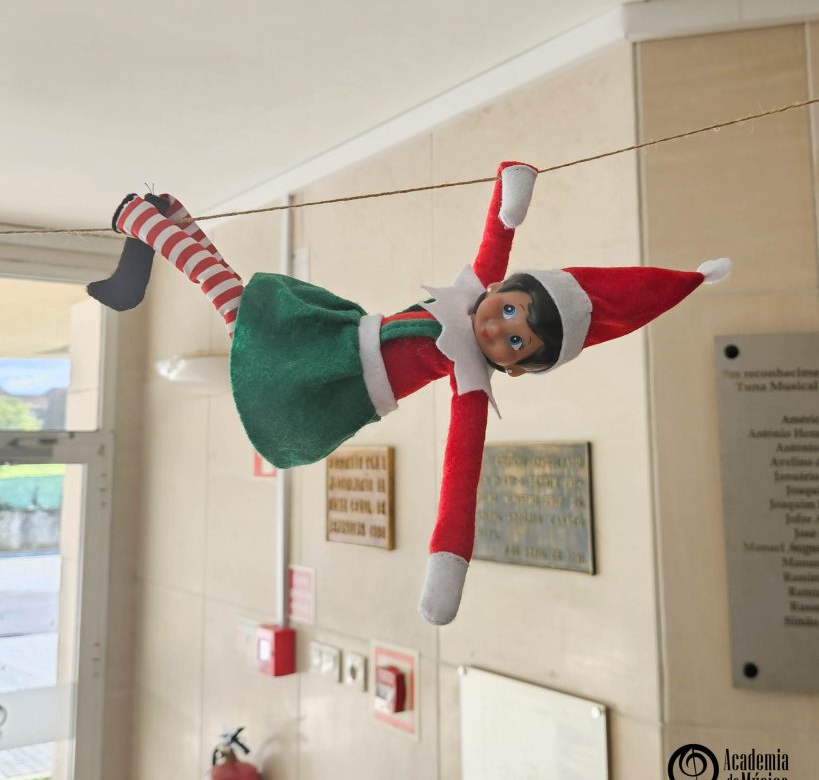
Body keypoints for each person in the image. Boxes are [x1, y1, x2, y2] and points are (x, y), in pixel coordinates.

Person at [88, 162, 731, 624]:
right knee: (232, 301)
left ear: (515, 369)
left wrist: (447, 566)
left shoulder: (471, 383)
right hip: (334, 338)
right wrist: (512, 194)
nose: (499, 329)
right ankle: (151, 219)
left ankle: (155, 220)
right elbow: (498, 236)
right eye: (510, 311)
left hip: (333, 385)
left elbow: (461, 481)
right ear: (501, 290)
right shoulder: (469, 290)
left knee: (232, 302)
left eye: (516, 342)